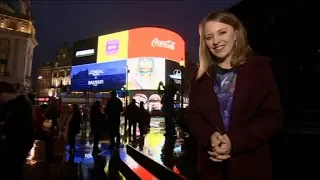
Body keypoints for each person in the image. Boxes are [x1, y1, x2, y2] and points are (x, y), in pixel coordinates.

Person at [186, 11, 283, 180]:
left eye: (222, 32)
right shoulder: (200, 76)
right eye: (209, 37)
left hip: (251, 167)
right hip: (211, 170)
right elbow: (193, 117)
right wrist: (209, 136)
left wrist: (234, 141)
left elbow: (272, 117)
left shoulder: (260, 69)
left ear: (236, 33)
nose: (216, 41)